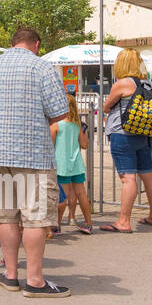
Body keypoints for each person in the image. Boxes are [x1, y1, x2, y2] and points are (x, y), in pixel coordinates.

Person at [0, 27, 71, 298]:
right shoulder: (42, 68)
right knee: (35, 219)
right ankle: (34, 280)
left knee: (6, 216)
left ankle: (10, 274)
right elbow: (60, 113)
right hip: (33, 154)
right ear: (35, 44)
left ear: (12, 44)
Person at [99, 48, 152, 234]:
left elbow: (106, 106)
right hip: (144, 134)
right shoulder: (147, 84)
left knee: (128, 178)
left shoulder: (122, 84)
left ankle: (123, 221)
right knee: (148, 175)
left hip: (123, 134)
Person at [53, 95, 93, 234]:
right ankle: (88, 223)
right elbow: (84, 145)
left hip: (62, 165)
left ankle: (57, 225)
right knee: (81, 194)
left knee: (62, 197)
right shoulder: (77, 125)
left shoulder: (56, 125)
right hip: (76, 164)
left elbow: (50, 146)